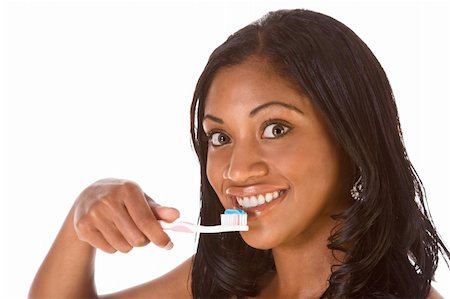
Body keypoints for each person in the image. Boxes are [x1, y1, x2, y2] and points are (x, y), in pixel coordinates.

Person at [29, 9, 449, 298]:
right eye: (220, 137)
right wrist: (81, 219)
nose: (236, 171)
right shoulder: (217, 284)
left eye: (275, 128)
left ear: (352, 135)